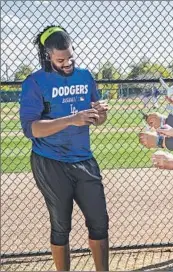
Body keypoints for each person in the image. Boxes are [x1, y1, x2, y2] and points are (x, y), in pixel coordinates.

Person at [19, 26, 109, 271]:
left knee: (100, 222)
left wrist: (100, 115)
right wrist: (71, 119)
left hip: (83, 158)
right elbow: (31, 129)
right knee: (61, 224)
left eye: (70, 56)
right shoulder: (35, 82)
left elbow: (96, 118)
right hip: (50, 161)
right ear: (48, 55)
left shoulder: (85, 76)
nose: (68, 62)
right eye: (61, 59)